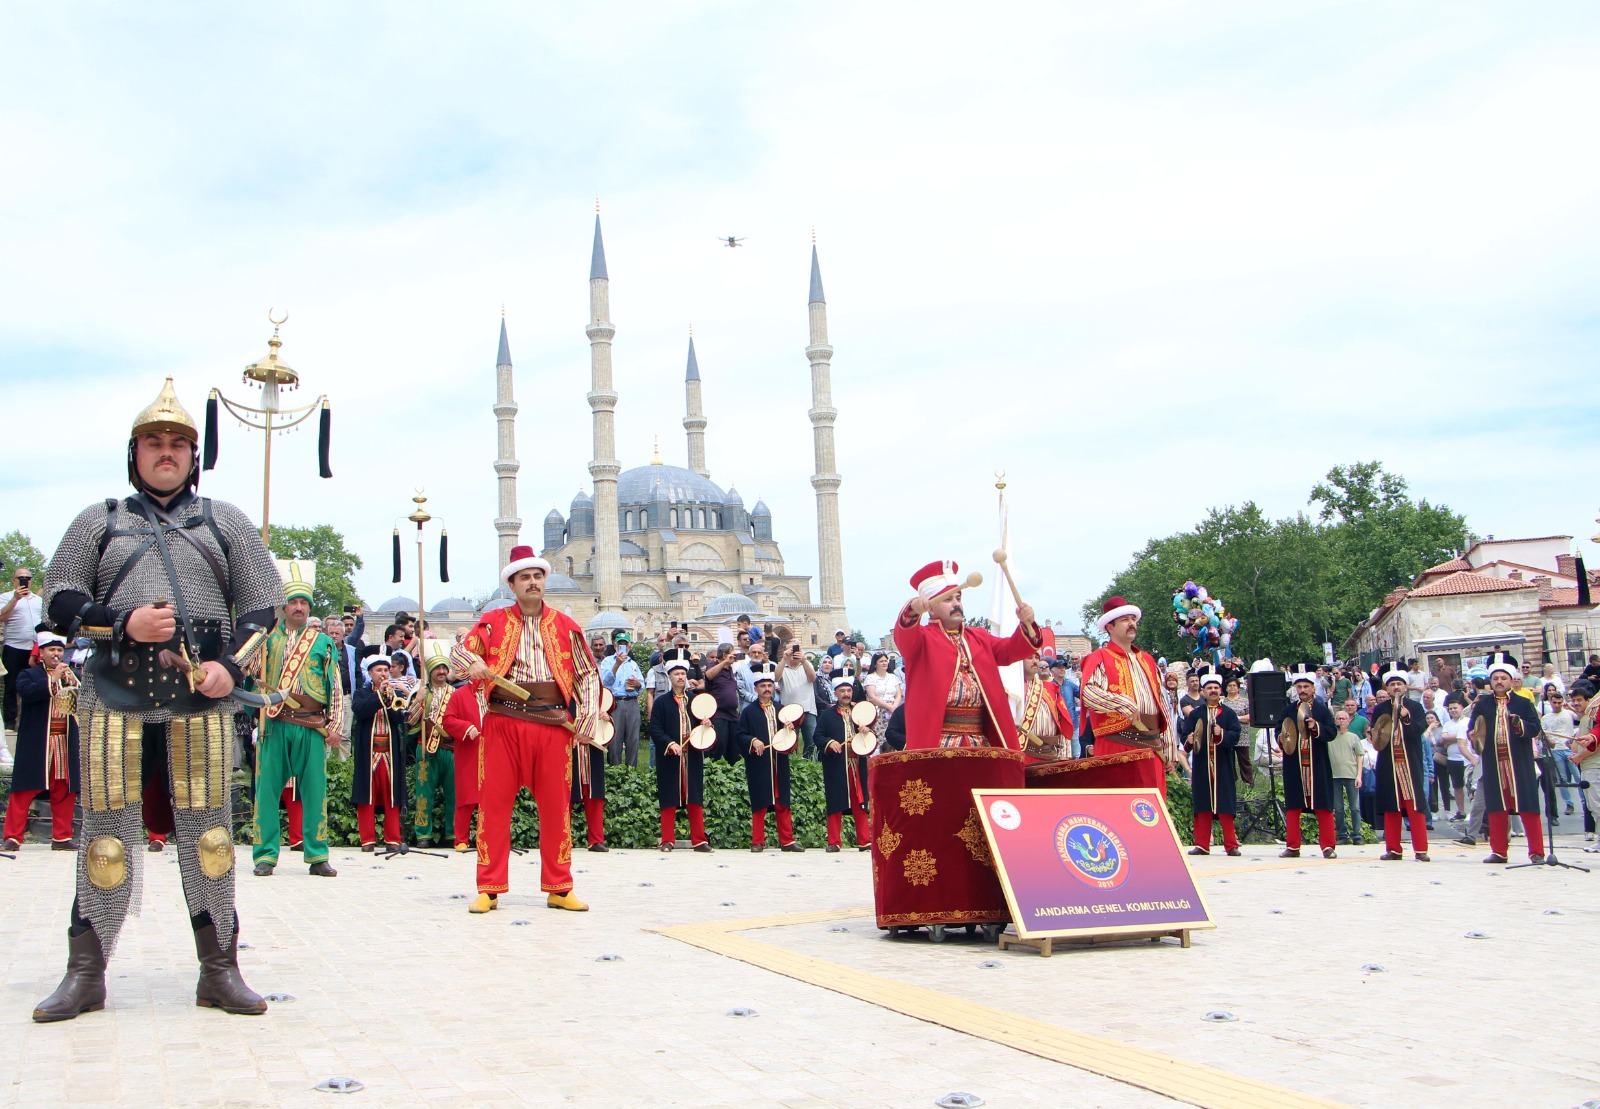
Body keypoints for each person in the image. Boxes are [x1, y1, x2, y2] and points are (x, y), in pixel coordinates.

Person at [36, 378, 280, 1021]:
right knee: (106, 835)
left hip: (199, 698)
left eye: (177, 442)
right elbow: (59, 602)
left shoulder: (225, 521)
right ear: (134, 452)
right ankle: (86, 974)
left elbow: (262, 609)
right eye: (153, 442)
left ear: (193, 455)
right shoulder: (101, 519)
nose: (165, 452)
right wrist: (121, 622)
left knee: (210, 836)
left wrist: (231, 667)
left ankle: (219, 971)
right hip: (114, 692)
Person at [449, 546, 601, 913]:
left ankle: (559, 887)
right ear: (512, 584)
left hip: (552, 725)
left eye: (538, 576)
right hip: (503, 722)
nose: (532, 583)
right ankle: (489, 887)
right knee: (494, 806)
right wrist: (474, 663)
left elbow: (588, 675)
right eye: (524, 578)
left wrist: (587, 719)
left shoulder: (567, 626)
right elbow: (456, 654)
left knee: (556, 808)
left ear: (544, 581)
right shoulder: (492, 622)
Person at [891, 560, 1039, 754]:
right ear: (931, 608)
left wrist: (1027, 624)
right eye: (948, 599)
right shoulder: (921, 639)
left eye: (958, 598)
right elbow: (904, 633)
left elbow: (1011, 650)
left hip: (980, 738)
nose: (956, 604)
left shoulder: (979, 637)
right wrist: (912, 609)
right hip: (939, 740)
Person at [249, 567, 340, 878]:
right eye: (293, 602)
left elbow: (335, 684)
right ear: (283, 606)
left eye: (303, 602)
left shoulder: (322, 641)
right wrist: (255, 641)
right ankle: (265, 855)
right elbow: (248, 673)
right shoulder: (266, 639)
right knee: (267, 791)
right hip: (275, 723)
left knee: (315, 792)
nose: (298, 607)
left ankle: (318, 856)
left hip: (311, 724)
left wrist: (336, 723)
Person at [1078, 596, 1171, 790]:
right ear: (1110, 627)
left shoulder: (1147, 660)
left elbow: (1162, 702)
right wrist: (1121, 702)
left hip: (1151, 744)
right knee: (1121, 808)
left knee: (1153, 809)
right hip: (1117, 744)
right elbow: (1089, 693)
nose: (1132, 624)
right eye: (1124, 620)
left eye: (1133, 619)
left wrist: (1169, 744)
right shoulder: (1099, 657)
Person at [2, 631, 81, 851]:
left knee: (64, 788)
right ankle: (13, 836)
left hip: (64, 741)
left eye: (59, 650)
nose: (56, 654)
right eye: (51, 650)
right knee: (25, 788)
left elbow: (83, 702)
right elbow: (28, 694)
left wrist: (71, 682)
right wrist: (52, 679)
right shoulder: (28, 675)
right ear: (41, 653)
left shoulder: (72, 675)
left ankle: (62, 837)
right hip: (38, 743)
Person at [1469, 652, 1545, 864]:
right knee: (1496, 807)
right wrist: (1473, 735)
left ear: (1511, 680)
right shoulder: (1483, 704)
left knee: (1528, 806)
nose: (1499, 682)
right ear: (1490, 682)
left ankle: (1537, 851)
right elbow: (1473, 728)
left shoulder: (1523, 702)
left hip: (1519, 762)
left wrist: (1519, 724)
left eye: (1503, 678)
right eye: (1495, 679)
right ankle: (1499, 851)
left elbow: (1535, 728)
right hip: (1494, 762)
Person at [737, 661, 803, 852]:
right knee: (760, 801)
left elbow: (791, 737)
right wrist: (753, 741)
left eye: (770, 685)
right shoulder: (749, 711)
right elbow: (740, 735)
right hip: (759, 763)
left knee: (783, 802)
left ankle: (787, 841)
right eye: (763, 686)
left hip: (779, 761)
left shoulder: (782, 709)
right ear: (756, 688)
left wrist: (791, 729)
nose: (767, 689)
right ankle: (758, 841)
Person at [1275, 662, 1338, 858]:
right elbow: (1280, 731)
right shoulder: (1287, 711)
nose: (1302, 690)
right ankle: (1293, 846)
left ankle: (1328, 846)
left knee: (1323, 804)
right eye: (1299, 687)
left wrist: (1316, 726)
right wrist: (1283, 737)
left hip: (1317, 763)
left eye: (1306, 686)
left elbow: (1331, 732)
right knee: (1294, 805)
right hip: (1295, 763)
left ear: (1313, 688)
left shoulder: (1321, 710)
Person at [650, 652, 711, 851]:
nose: (680, 677)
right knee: (669, 797)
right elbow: (655, 729)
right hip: (669, 757)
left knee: (694, 797)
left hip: (691, 756)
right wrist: (669, 744)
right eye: (676, 674)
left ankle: (699, 840)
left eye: (683, 674)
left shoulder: (695, 700)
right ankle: (668, 840)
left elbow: (703, 727)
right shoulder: (661, 702)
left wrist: (706, 724)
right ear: (669, 676)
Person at [350, 654, 409, 852]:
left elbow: (399, 718)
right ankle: (367, 840)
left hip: (390, 753)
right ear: (370, 673)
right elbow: (360, 711)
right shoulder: (361, 693)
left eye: (386, 670)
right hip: (369, 752)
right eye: (379, 670)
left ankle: (393, 838)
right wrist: (378, 696)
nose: (383, 674)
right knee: (367, 795)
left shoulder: (395, 694)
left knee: (392, 796)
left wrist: (390, 696)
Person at [1179, 671, 1241, 855]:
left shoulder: (1229, 714)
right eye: (1209, 688)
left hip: (1223, 765)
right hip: (1202, 765)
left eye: (1215, 688)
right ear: (1203, 691)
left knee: (1225, 804)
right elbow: (1186, 737)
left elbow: (1235, 736)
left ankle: (1231, 845)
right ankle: (1201, 845)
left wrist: (1222, 734)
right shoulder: (1196, 714)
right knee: (1203, 804)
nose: (1213, 691)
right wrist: (1189, 739)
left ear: (1220, 690)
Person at [1371, 667, 1430, 862]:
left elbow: (1418, 730)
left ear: (1405, 686)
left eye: (1399, 684)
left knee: (1414, 805)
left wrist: (1406, 718)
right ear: (1386, 688)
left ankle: (1421, 849)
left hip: (1409, 761)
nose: (1396, 687)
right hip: (1389, 762)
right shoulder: (1380, 709)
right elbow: (1376, 735)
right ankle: (1393, 849)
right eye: (1392, 685)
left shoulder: (1415, 707)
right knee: (1391, 805)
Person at [409, 649, 461, 848]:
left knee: (454, 794)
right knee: (424, 794)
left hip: (451, 749)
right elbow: (410, 721)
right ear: (429, 671)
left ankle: (452, 834)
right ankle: (423, 835)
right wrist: (418, 700)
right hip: (426, 748)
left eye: (443, 668)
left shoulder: (455, 694)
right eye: (437, 668)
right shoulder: (421, 692)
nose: (440, 671)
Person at [816, 669, 871, 852]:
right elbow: (818, 736)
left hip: (857, 763)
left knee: (860, 800)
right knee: (835, 800)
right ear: (835, 693)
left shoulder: (860, 712)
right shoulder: (827, 715)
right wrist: (830, 742)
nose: (846, 694)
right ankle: (834, 841)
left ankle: (864, 840)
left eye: (848, 690)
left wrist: (866, 731)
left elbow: (870, 738)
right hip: (837, 764)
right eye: (842, 691)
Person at [1, 566, 44, 736]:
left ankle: (29, 721)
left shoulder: (38, 601)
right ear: (14, 580)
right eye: (20, 578)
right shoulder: (5, 597)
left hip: (34, 647)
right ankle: (10, 723)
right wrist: (15, 599)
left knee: (34, 684)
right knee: (11, 685)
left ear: (31, 580)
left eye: (27, 577)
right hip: (13, 646)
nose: (24, 580)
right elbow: (2, 617)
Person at [1012, 654, 1071, 762]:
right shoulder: (1011, 689)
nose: (1035, 661)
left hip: (1050, 754)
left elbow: (1063, 721)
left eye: (1037, 658)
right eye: (1029, 658)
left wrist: (1064, 753)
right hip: (1023, 754)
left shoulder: (1051, 688)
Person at [603, 637, 644, 768]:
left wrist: (637, 684)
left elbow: (642, 685)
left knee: (633, 740)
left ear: (629, 646)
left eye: (625, 644)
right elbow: (605, 682)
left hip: (632, 702)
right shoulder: (607, 661)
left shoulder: (633, 663)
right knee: (615, 740)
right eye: (619, 644)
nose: (622, 646)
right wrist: (617, 665)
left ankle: (631, 772)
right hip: (615, 703)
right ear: (614, 645)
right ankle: (615, 771)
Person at [1540, 689, 1580, 816]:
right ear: (1550, 703)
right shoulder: (1546, 718)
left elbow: (1581, 717)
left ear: (1562, 702)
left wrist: (1571, 708)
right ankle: (1569, 804)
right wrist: (1548, 740)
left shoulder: (1568, 713)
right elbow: (1544, 734)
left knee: (1578, 778)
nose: (1557, 705)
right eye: (1555, 702)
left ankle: (1585, 803)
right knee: (1562, 779)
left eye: (1559, 702)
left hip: (1569, 749)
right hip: (1556, 750)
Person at [1328, 709, 1364, 846]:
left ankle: (1357, 834)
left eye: (1344, 719)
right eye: (1339, 718)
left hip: (1351, 775)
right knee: (1338, 808)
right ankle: (1342, 834)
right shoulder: (1331, 737)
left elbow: (1359, 756)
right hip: (1334, 776)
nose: (1341, 721)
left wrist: (1358, 775)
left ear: (1348, 721)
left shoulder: (1353, 737)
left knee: (1355, 807)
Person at [778, 641, 818, 757]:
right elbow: (775, 678)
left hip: (808, 709)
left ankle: (809, 767)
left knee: (811, 743)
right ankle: (792, 768)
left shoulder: (806, 664)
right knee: (790, 743)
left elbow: (813, 678)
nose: (794, 653)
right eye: (791, 650)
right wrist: (784, 659)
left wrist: (804, 660)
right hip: (788, 711)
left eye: (796, 650)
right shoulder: (782, 665)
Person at [861, 652, 905, 747]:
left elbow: (898, 695)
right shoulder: (870, 677)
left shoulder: (893, 677)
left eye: (885, 661)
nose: (884, 663)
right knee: (880, 739)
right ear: (875, 664)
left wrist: (894, 708)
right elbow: (872, 697)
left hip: (894, 711)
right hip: (878, 711)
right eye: (881, 661)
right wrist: (888, 707)